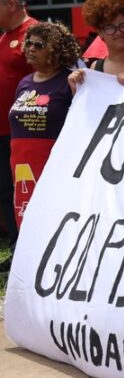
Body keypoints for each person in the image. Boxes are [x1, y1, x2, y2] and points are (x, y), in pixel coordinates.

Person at [9, 21, 78, 231]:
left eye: (38, 45)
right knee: (25, 214)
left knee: (50, 221)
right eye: (28, 43)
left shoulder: (70, 81)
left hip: (52, 163)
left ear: (56, 49)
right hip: (21, 164)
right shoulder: (25, 83)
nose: (30, 48)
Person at [0, 0, 36, 261]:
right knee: (5, 191)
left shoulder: (33, 33)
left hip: (24, 132)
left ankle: (29, 249)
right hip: (3, 131)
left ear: (11, 4)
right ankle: (16, 247)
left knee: (24, 190)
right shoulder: (4, 37)